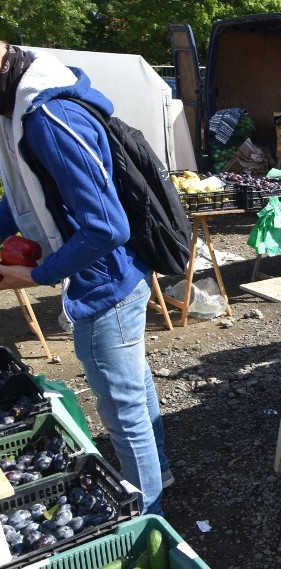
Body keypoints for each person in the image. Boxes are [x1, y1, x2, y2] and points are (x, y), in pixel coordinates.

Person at [0, 43, 171, 514]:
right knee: (135, 389)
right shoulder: (18, 108)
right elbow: (23, 196)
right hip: (113, 275)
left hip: (105, 286)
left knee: (122, 410)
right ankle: (160, 477)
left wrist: (36, 274)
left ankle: (148, 513)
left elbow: (107, 227)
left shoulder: (47, 119)